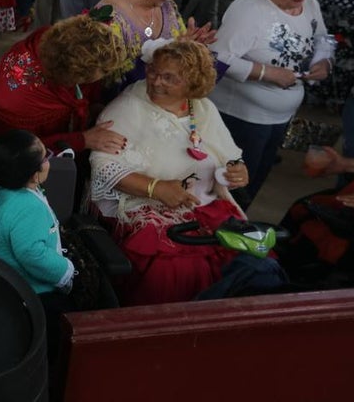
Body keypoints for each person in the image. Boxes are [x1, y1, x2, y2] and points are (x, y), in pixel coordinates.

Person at [90, 40, 250, 304]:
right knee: (174, 271)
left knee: (246, 254)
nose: (155, 82)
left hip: (203, 205)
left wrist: (236, 172)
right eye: (153, 72)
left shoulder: (203, 108)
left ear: (192, 83)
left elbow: (230, 158)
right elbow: (103, 167)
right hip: (144, 207)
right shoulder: (128, 107)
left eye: (169, 78)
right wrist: (156, 188)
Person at [209, 0, 334, 206]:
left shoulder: (309, 4)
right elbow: (217, 58)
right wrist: (267, 73)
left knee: (255, 181)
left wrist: (324, 60)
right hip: (242, 118)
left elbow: (322, 36)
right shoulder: (249, 11)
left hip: (279, 117)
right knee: (233, 189)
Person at [0, 14, 128, 153]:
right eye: (104, 71)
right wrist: (84, 140)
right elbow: (24, 150)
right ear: (77, 74)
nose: (106, 76)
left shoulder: (52, 41)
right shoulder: (28, 101)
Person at [94, 0, 214, 92]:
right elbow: (105, 78)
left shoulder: (168, 8)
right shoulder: (109, 17)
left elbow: (180, 46)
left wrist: (191, 46)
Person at [0, 130, 74, 300]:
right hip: (30, 291)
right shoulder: (29, 208)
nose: (49, 160)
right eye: (45, 157)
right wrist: (66, 271)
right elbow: (33, 255)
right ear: (34, 174)